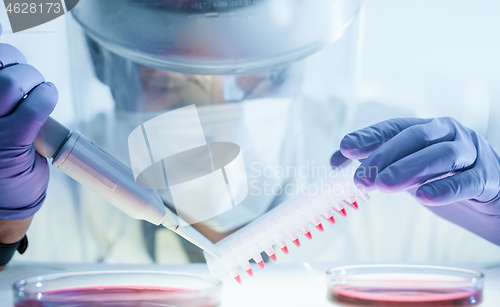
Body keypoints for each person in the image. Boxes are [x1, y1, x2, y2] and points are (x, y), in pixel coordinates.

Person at [1, 0, 500, 269]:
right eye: (166, 78)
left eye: (258, 76)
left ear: (299, 64)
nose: (219, 110)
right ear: (108, 68)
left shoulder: (397, 179)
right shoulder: (35, 190)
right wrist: (4, 234)